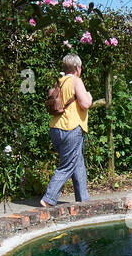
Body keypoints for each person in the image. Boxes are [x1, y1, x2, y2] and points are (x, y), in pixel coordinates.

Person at [40, 53, 93, 207]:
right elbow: (85, 103)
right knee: (68, 164)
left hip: (56, 128)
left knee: (78, 163)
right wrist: (89, 96)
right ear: (77, 68)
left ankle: (83, 201)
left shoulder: (60, 82)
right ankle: (49, 198)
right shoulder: (76, 81)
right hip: (72, 128)